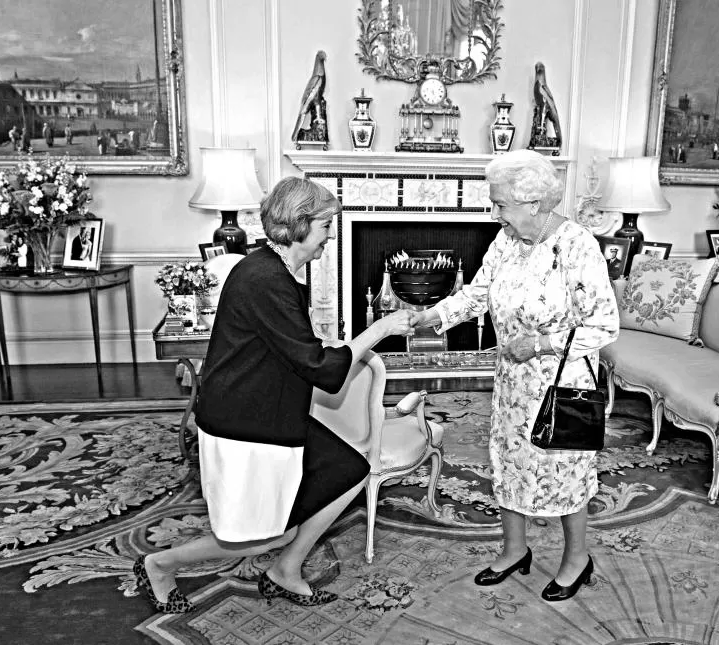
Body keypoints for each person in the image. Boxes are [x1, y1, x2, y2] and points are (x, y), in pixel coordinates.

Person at [133, 177, 416, 613]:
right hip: (246, 423)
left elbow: (295, 345)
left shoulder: (274, 269)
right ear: (300, 225)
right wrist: (379, 329)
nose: (330, 237)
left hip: (272, 408)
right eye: (325, 226)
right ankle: (160, 564)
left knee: (349, 468)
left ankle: (287, 569)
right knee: (264, 533)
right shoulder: (265, 278)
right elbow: (321, 369)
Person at [410, 150, 619, 602]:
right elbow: (475, 295)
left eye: (501, 204)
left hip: (562, 383)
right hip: (513, 382)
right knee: (509, 463)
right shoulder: (504, 241)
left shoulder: (577, 246)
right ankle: (514, 550)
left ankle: (576, 559)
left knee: (564, 469)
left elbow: (603, 324)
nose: (495, 213)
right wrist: (428, 316)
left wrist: (540, 343)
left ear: (534, 204)